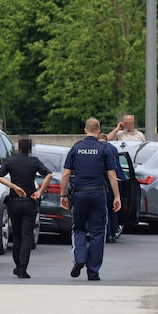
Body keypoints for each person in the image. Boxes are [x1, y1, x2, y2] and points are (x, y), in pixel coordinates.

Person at [61, 117, 121, 281]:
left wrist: (63, 195)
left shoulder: (76, 148)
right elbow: (111, 174)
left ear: (85, 130)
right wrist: (116, 196)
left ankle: (80, 258)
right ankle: (93, 271)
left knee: (78, 227)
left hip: (79, 193)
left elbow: (66, 173)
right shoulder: (104, 149)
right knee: (98, 232)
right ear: (99, 131)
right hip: (98, 193)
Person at [0, 138, 53, 278]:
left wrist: (14, 187)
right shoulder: (34, 161)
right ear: (30, 149)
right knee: (27, 235)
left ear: (18, 148)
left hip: (14, 201)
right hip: (30, 201)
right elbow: (49, 174)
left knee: (16, 236)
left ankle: (17, 265)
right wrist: (39, 192)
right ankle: (22, 267)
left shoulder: (11, 161)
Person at [98, 134, 126, 243]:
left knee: (105, 208)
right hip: (118, 180)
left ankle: (107, 232)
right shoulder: (113, 148)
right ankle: (113, 232)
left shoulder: (100, 148)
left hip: (106, 180)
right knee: (114, 208)